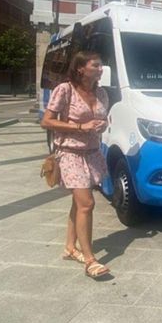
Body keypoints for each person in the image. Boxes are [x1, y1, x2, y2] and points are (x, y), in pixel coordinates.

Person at [40, 51, 111, 279]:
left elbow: (103, 117)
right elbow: (46, 121)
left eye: (101, 66)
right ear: (81, 68)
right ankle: (90, 261)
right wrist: (81, 128)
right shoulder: (65, 89)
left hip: (92, 153)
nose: (101, 69)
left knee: (79, 203)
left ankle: (70, 248)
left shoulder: (100, 92)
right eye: (96, 65)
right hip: (70, 153)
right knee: (87, 204)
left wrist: (101, 125)